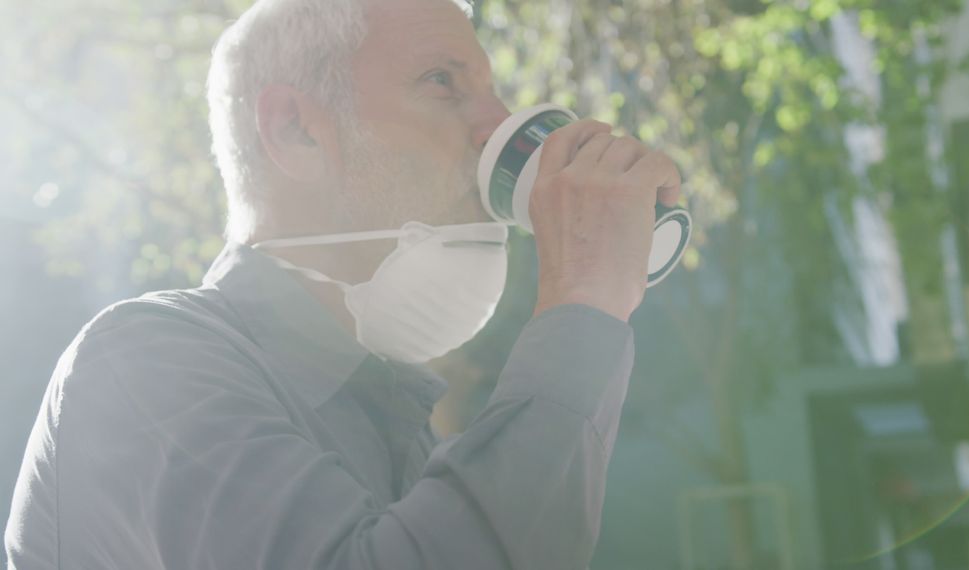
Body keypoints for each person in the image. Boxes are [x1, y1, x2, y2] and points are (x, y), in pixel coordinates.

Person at [4, 0, 682, 567]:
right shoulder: (147, 364)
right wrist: (583, 302)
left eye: (493, 92)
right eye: (443, 81)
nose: (495, 128)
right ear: (295, 129)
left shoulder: (399, 421)